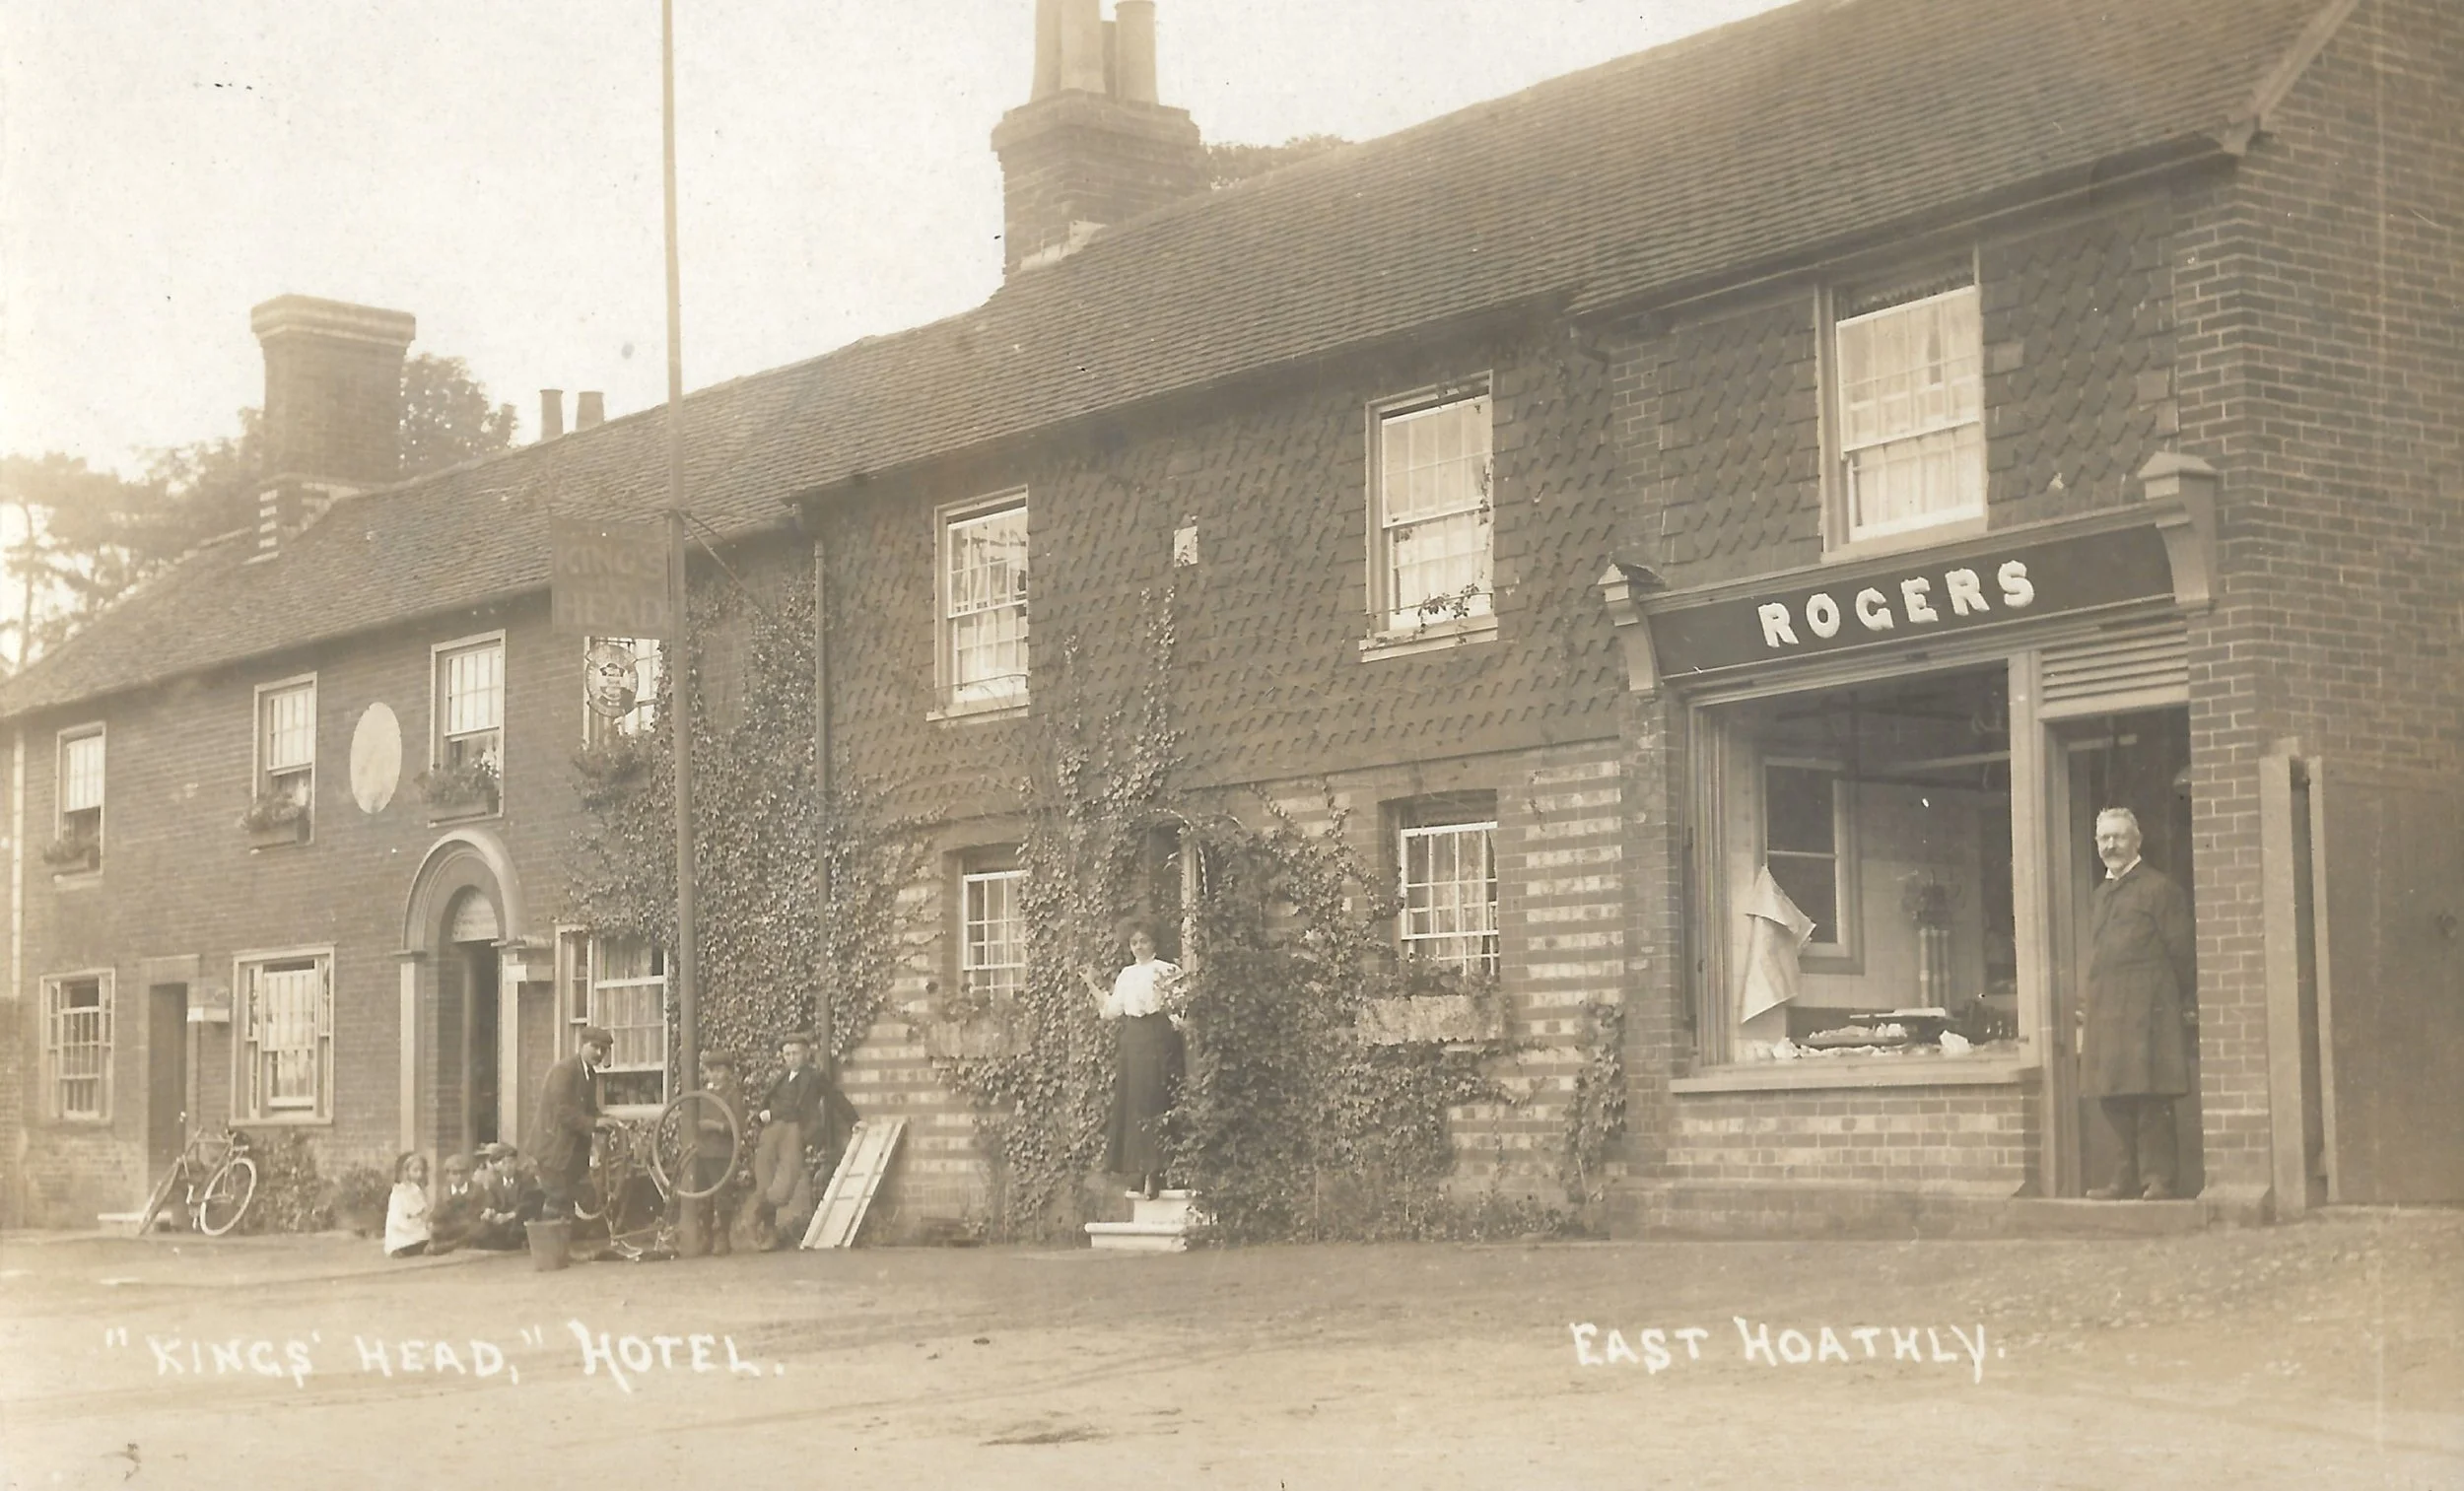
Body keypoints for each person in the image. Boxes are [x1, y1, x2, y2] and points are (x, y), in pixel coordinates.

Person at [2080, 807, 2197, 1201]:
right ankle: (2124, 1179)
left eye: (2118, 837)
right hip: (2108, 1010)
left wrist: (2166, 1001)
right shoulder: (2100, 896)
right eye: (2103, 839)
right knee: (2113, 1096)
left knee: (2150, 1095)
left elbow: (2181, 953)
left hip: (2149, 1010)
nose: (2110, 845)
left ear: (2137, 841)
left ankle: (2159, 1179)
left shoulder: (2160, 890)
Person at [1083, 924, 1186, 1200]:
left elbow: (1179, 1009)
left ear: (1154, 943)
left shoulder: (1167, 970)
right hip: (1133, 1039)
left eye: (1144, 941)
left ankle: (1156, 1172)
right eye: (1134, 943)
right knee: (1134, 1105)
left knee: (1155, 1101)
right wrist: (1092, 984)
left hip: (1158, 1037)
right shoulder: (1127, 975)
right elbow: (1111, 1010)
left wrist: (1175, 1028)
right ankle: (1140, 1170)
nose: (1139, 947)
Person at [751, 1033, 857, 1251]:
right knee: (765, 1177)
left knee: (785, 1182)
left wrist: (854, 1120)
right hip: (772, 1131)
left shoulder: (814, 1077)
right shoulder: (781, 1078)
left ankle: (757, 1212)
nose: (791, 1058)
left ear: (806, 1053)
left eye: (796, 1053)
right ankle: (769, 1233)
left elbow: (834, 1096)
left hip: (795, 1130)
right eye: (787, 1054)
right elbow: (766, 1103)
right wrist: (761, 1115)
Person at [536, 1026, 621, 1221]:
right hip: (554, 1149)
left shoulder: (589, 1074)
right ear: (582, 1045)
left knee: (568, 1201)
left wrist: (610, 1121)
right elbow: (562, 1111)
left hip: (571, 1151)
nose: (599, 1053)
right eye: (595, 1047)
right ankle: (549, 1247)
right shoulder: (564, 1070)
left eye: (604, 1050)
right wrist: (595, 1122)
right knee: (557, 1199)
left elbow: (590, 1110)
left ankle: (561, 1247)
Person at [683, 1050, 745, 1256]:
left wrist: (716, 1126)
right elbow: (690, 1120)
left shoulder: (732, 1094)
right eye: (712, 1071)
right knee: (703, 1197)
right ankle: (707, 1237)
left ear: (728, 1072)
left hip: (722, 1152)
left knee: (722, 1197)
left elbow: (738, 1124)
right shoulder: (702, 1094)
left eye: (720, 1071)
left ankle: (723, 1238)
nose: (716, 1075)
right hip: (702, 1152)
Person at [383, 1152, 432, 1258]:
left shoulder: (419, 1190)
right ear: (407, 1172)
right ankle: (403, 1250)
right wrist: (419, 1227)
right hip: (403, 1233)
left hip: (417, 1229)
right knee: (426, 1239)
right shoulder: (399, 1192)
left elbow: (423, 1213)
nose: (419, 1174)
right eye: (415, 1170)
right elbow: (398, 1219)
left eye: (422, 1170)